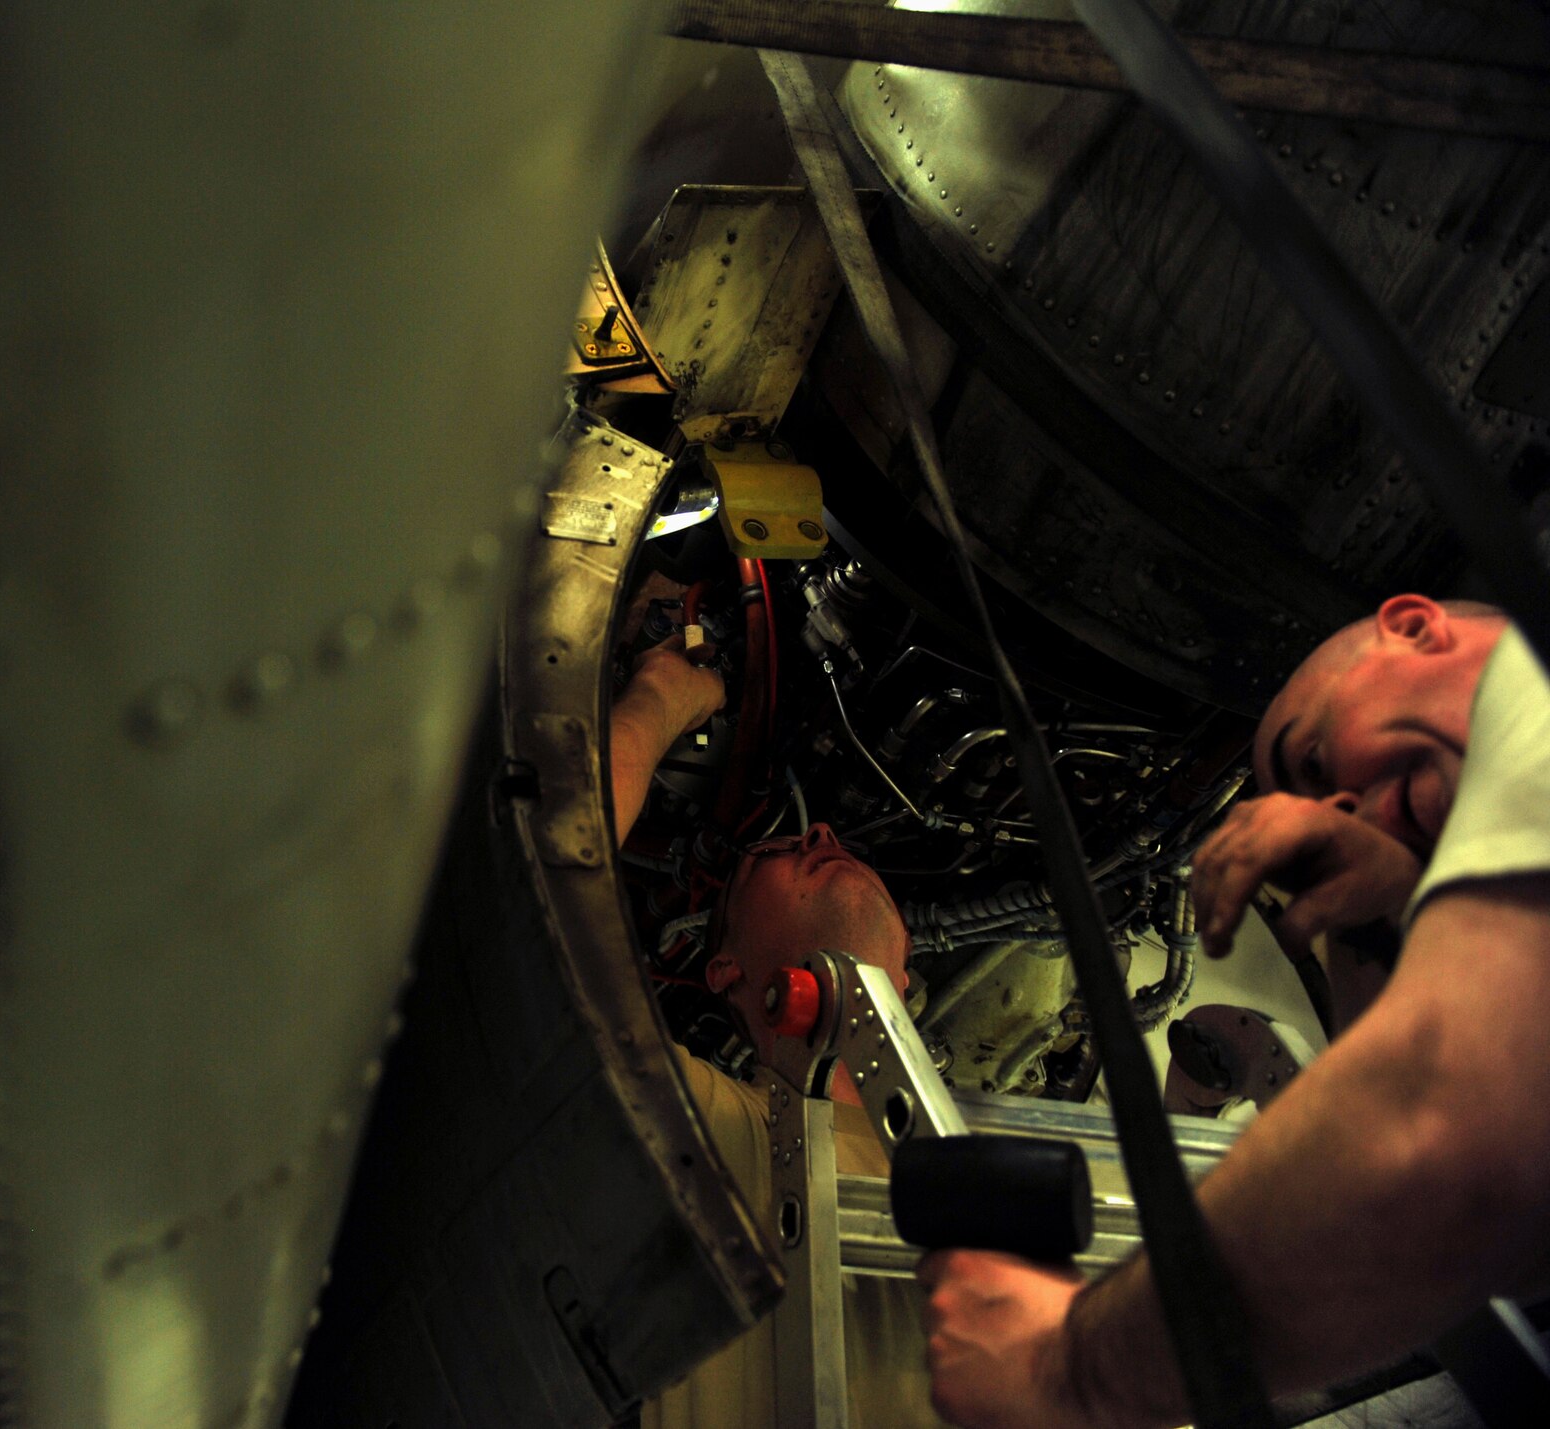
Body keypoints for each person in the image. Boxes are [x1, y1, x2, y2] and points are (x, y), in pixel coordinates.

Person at [917, 594, 1550, 1428]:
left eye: (1317, 762)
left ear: (1413, 628)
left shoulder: (1527, 686)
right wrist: (1386, 901)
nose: (1340, 809)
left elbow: (1434, 1135)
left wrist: (1077, 1369)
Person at [609, 638, 946, 1429]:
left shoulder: (997, 1161)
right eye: (782, 847)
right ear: (724, 971)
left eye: (810, 840)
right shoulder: (690, 1120)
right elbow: (549, 860)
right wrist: (659, 698)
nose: (820, 830)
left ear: (908, 985)